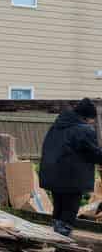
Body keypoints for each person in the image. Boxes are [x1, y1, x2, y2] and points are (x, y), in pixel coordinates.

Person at [39, 98, 102, 236]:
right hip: (71, 177)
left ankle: (57, 235)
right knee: (70, 209)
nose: (93, 122)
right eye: (92, 119)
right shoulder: (84, 130)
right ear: (86, 116)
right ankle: (63, 241)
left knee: (59, 207)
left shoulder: (56, 126)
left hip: (53, 174)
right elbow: (93, 153)